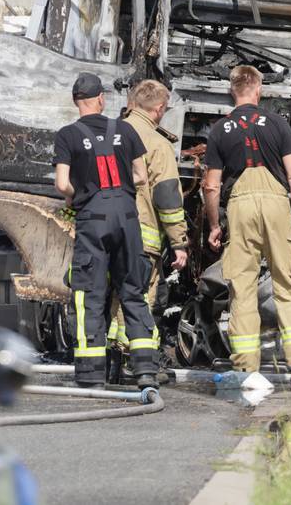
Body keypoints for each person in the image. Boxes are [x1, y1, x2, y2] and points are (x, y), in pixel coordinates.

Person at [201, 65, 291, 384]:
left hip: (240, 206)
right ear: (259, 89)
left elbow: (211, 186)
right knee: (288, 282)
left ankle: (245, 368)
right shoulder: (278, 123)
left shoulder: (220, 130)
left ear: (232, 90)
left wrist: (214, 224)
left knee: (243, 287)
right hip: (277, 204)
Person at [54, 73, 159, 389]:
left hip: (93, 219)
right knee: (133, 291)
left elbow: (61, 184)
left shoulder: (67, 135)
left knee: (90, 294)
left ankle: (90, 374)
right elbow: (141, 175)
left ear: (76, 102)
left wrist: (79, 194)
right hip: (127, 218)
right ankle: (145, 371)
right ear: (101, 99)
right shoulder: (125, 130)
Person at [108, 80, 189, 369]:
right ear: (158, 109)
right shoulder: (157, 143)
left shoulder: (107, 133)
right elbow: (167, 197)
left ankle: (111, 358)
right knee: (142, 297)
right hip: (141, 238)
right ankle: (140, 362)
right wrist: (179, 242)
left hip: (101, 234)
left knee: (111, 295)